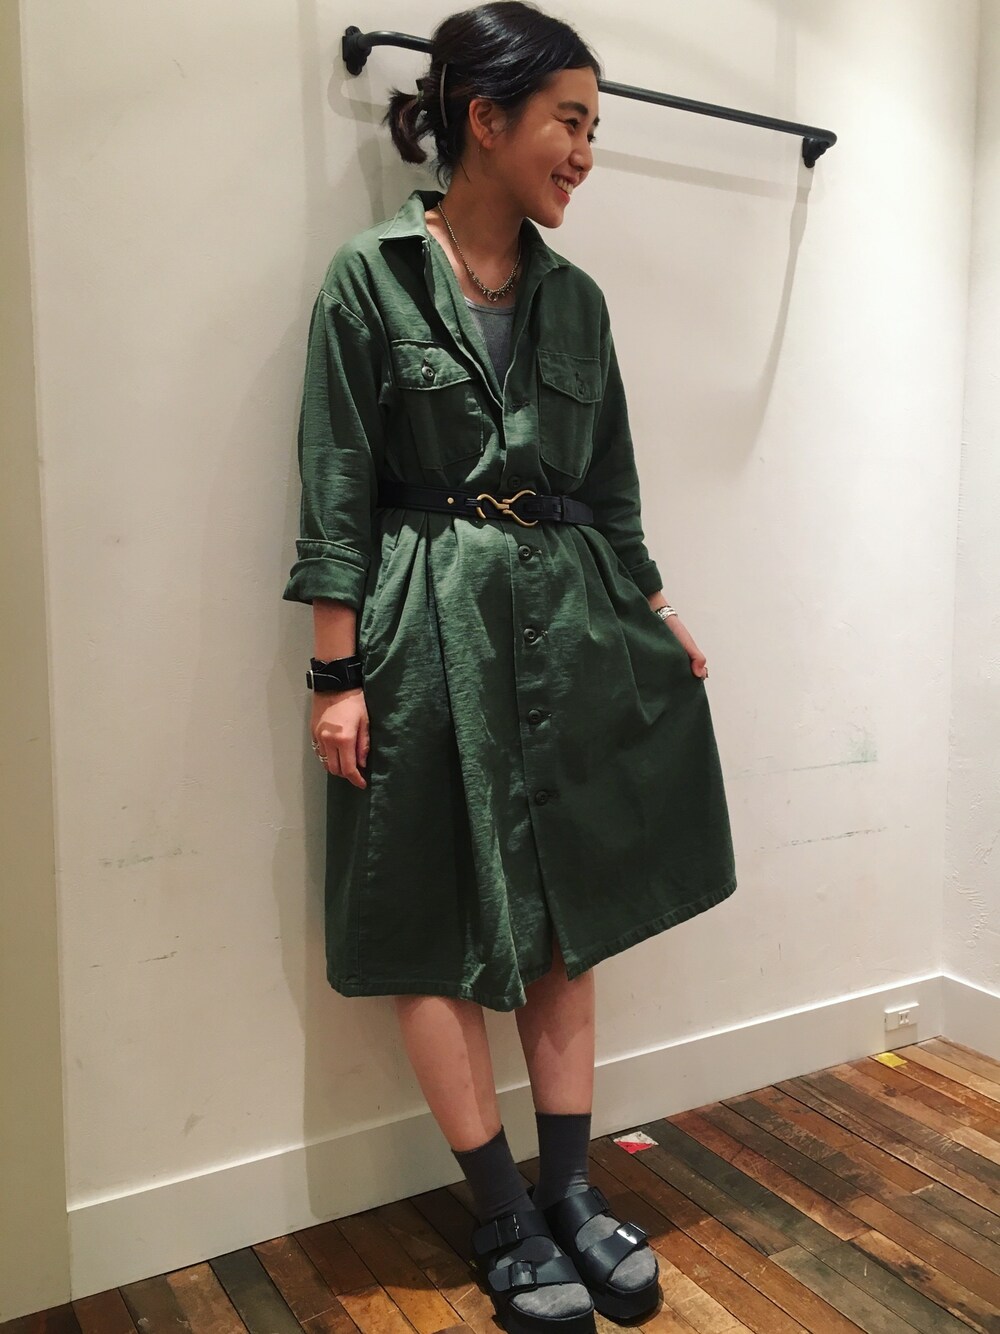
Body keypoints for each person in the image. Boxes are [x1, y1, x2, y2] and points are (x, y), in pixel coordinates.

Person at [282, 4, 737, 1331]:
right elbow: (334, 487)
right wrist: (334, 676)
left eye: (594, 126)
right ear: (485, 119)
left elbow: (613, 486)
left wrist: (657, 606)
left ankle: (572, 1192)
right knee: (432, 909)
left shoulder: (576, 302)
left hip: (572, 618)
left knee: (566, 907)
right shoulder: (369, 279)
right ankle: (500, 1213)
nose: (587, 151)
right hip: (424, 624)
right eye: (569, 122)